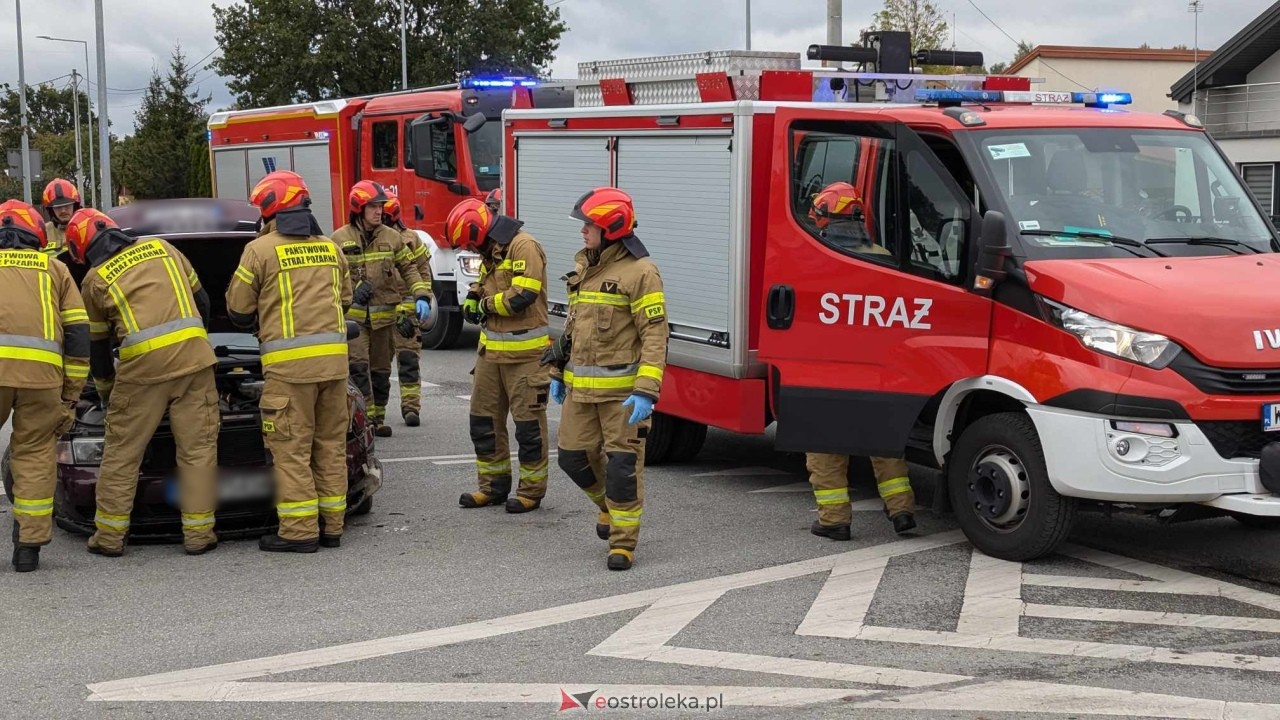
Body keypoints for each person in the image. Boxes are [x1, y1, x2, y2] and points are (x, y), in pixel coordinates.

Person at [65, 208, 220, 558]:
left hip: (142, 372)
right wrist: (197, 343)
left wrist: (105, 391)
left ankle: (109, 538)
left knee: (122, 452)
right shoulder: (163, 247)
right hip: (195, 363)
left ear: (84, 248)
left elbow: (99, 347)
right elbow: (203, 301)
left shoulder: (94, 279)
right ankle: (198, 536)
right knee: (197, 450)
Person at [226, 170, 354, 553]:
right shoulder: (331, 248)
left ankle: (299, 532)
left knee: (291, 450)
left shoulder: (260, 251)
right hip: (334, 368)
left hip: (289, 372)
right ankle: (332, 526)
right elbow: (343, 300)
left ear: (270, 209)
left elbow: (237, 308)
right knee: (330, 447)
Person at [549, 187, 668, 571]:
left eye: (590, 225)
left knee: (621, 467)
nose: (583, 231)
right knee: (572, 457)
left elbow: (655, 333)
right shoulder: (586, 266)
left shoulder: (641, 272)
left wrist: (646, 391)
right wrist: (557, 370)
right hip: (580, 391)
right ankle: (607, 508)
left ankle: (622, 541)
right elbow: (573, 327)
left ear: (611, 228)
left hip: (622, 396)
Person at [804, 182, 916, 540]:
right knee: (884, 446)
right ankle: (902, 511)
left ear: (824, 218)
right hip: (877, 372)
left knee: (826, 449)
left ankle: (834, 520)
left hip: (830, 372)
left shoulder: (817, 260)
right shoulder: (881, 257)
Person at [447, 197, 552, 514]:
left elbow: (523, 295)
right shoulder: (491, 250)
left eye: (468, 239)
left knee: (528, 429)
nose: (469, 246)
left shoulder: (524, 246)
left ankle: (531, 492)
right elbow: (486, 281)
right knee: (483, 422)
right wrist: (473, 295)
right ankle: (492, 487)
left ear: (479, 229)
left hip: (525, 358)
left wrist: (485, 305)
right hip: (490, 354)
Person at [0, 200, 89, 572]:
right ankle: (28, 548)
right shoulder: (54, 270)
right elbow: (79, 333)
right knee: (35, 454)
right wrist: (72, 392)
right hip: (44, 379)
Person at [331, 181, 431, 437]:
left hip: (385, 319)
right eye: (373, 207)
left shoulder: (392, 237)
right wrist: (353, 292)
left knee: (380, 372)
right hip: (354, 321)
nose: (379, 211)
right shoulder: (338, 239)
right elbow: (330, 278)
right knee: (358, 368)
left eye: (380, 206)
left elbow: (409, 269)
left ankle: (378, 418)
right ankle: (364, 422)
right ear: (358, 208)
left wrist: (421, 294)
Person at [382, 191, 432, 427]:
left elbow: (423, 273)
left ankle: (411, 408)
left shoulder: (411, 239)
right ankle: (375, 413)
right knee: (378, 367)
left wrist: (423, 298)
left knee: (409, 361)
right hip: (379, 313)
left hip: (407, 314)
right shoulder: (370, 240)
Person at [41, 178, 81, 258]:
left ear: (75, 206)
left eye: (67, 206)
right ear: (51, 210)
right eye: (58, 207)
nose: (63, 210)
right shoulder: (43, 232)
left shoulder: (86, 228)